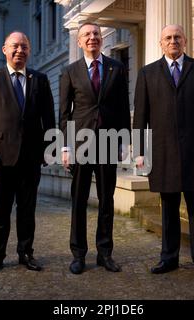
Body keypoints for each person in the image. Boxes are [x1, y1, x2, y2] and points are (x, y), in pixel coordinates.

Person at [133, 24, 194, 280]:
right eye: (168, 38)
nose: (173, 41)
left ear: (185, 41)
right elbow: (140, 117)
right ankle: (169, 258)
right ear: (161, 43)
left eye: (177, 37)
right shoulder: (147, 73)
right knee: (169, 208)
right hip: (162, 153)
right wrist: (139, 151)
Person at [0, 31, 55, 276]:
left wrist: (48, 150)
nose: (20, 50)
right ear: (4, 50)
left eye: (24, 47)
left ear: (29, 51)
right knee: (0, 210)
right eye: (15, 46)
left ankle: (26, 253)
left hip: (31, 159)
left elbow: (49, 119)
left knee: (27, 210)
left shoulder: (40, 80)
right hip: (0, 158)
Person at [59, 22, 131, 274]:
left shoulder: (117, 68)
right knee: (78, 201)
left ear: (102, 39)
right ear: (79, 42)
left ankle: (105, 253)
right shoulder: (70, 72)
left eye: (96, 34)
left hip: (109, 142)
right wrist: (65, 147)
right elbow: (64, 113)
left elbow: (123, 107)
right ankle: (78, 254)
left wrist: (124, 140)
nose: (92, 38)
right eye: (87, 35)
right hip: (79, 145)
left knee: (106, 201)